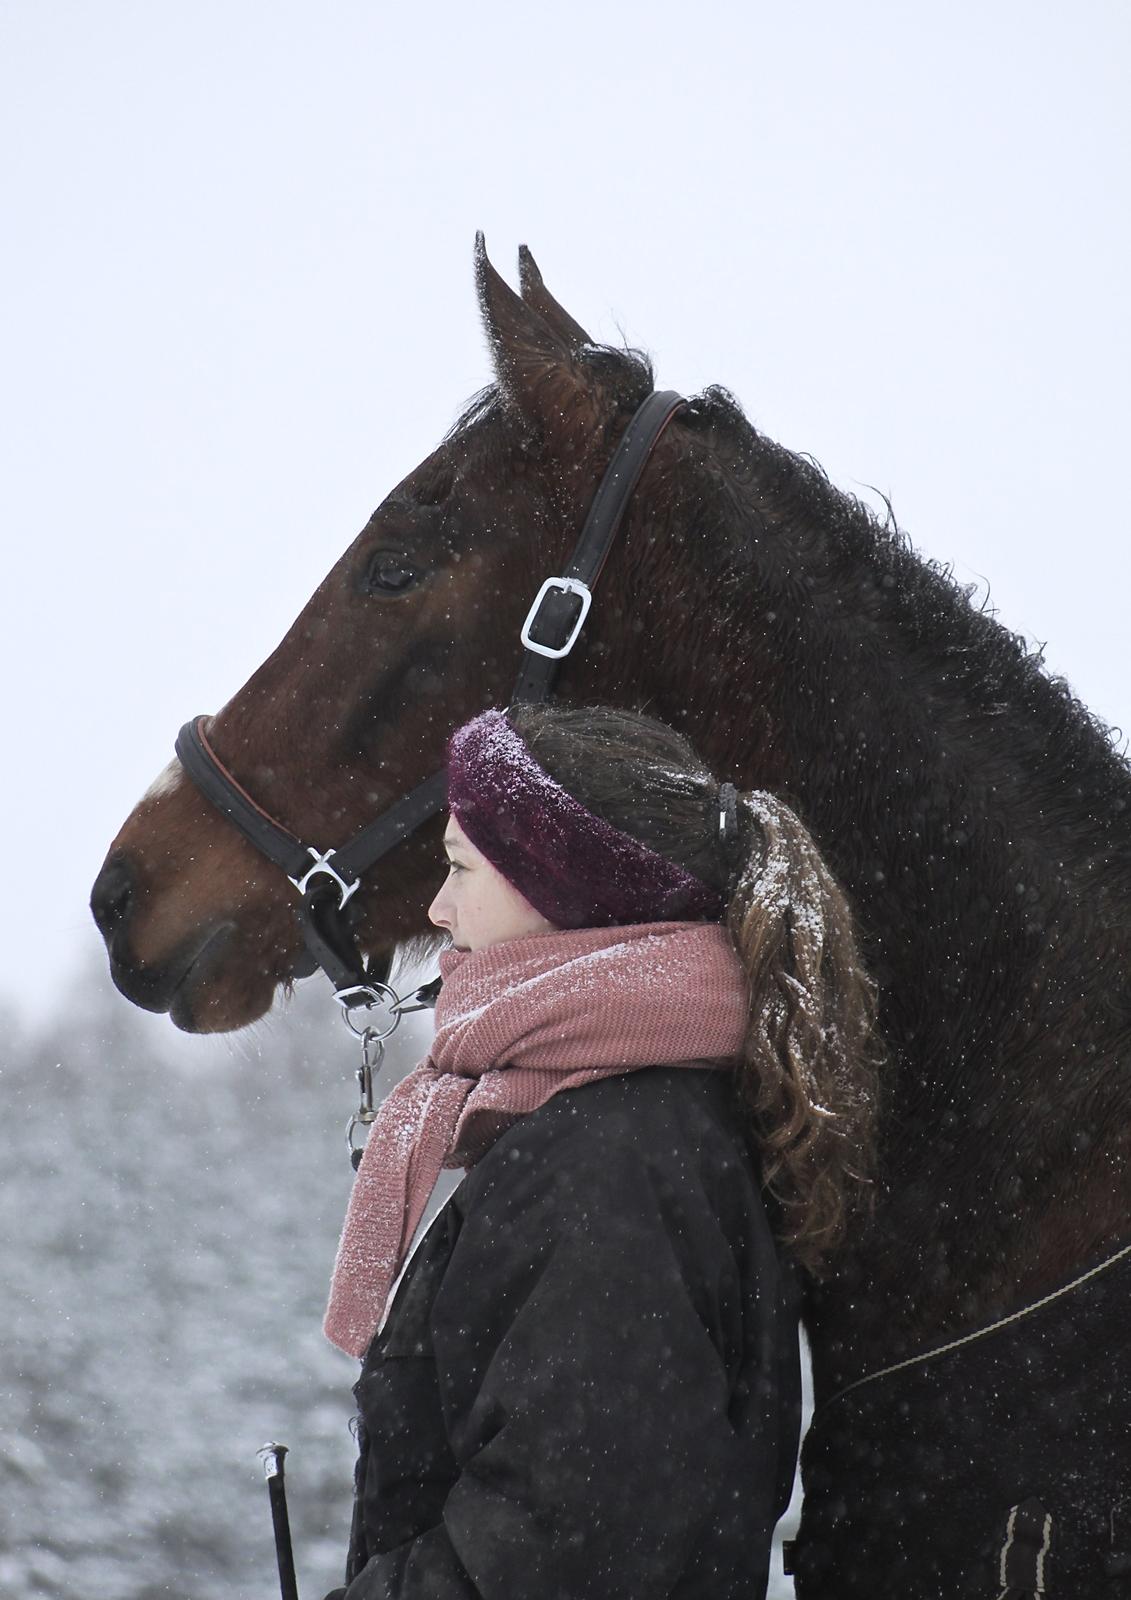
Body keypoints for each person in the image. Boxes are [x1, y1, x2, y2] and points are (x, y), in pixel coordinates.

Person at [322, 702, 883, 1600]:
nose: (436, 907)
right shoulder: (627, 1122)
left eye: (460, 867)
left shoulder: (611, 1160)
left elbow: (558, 1553)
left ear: (565, 893)